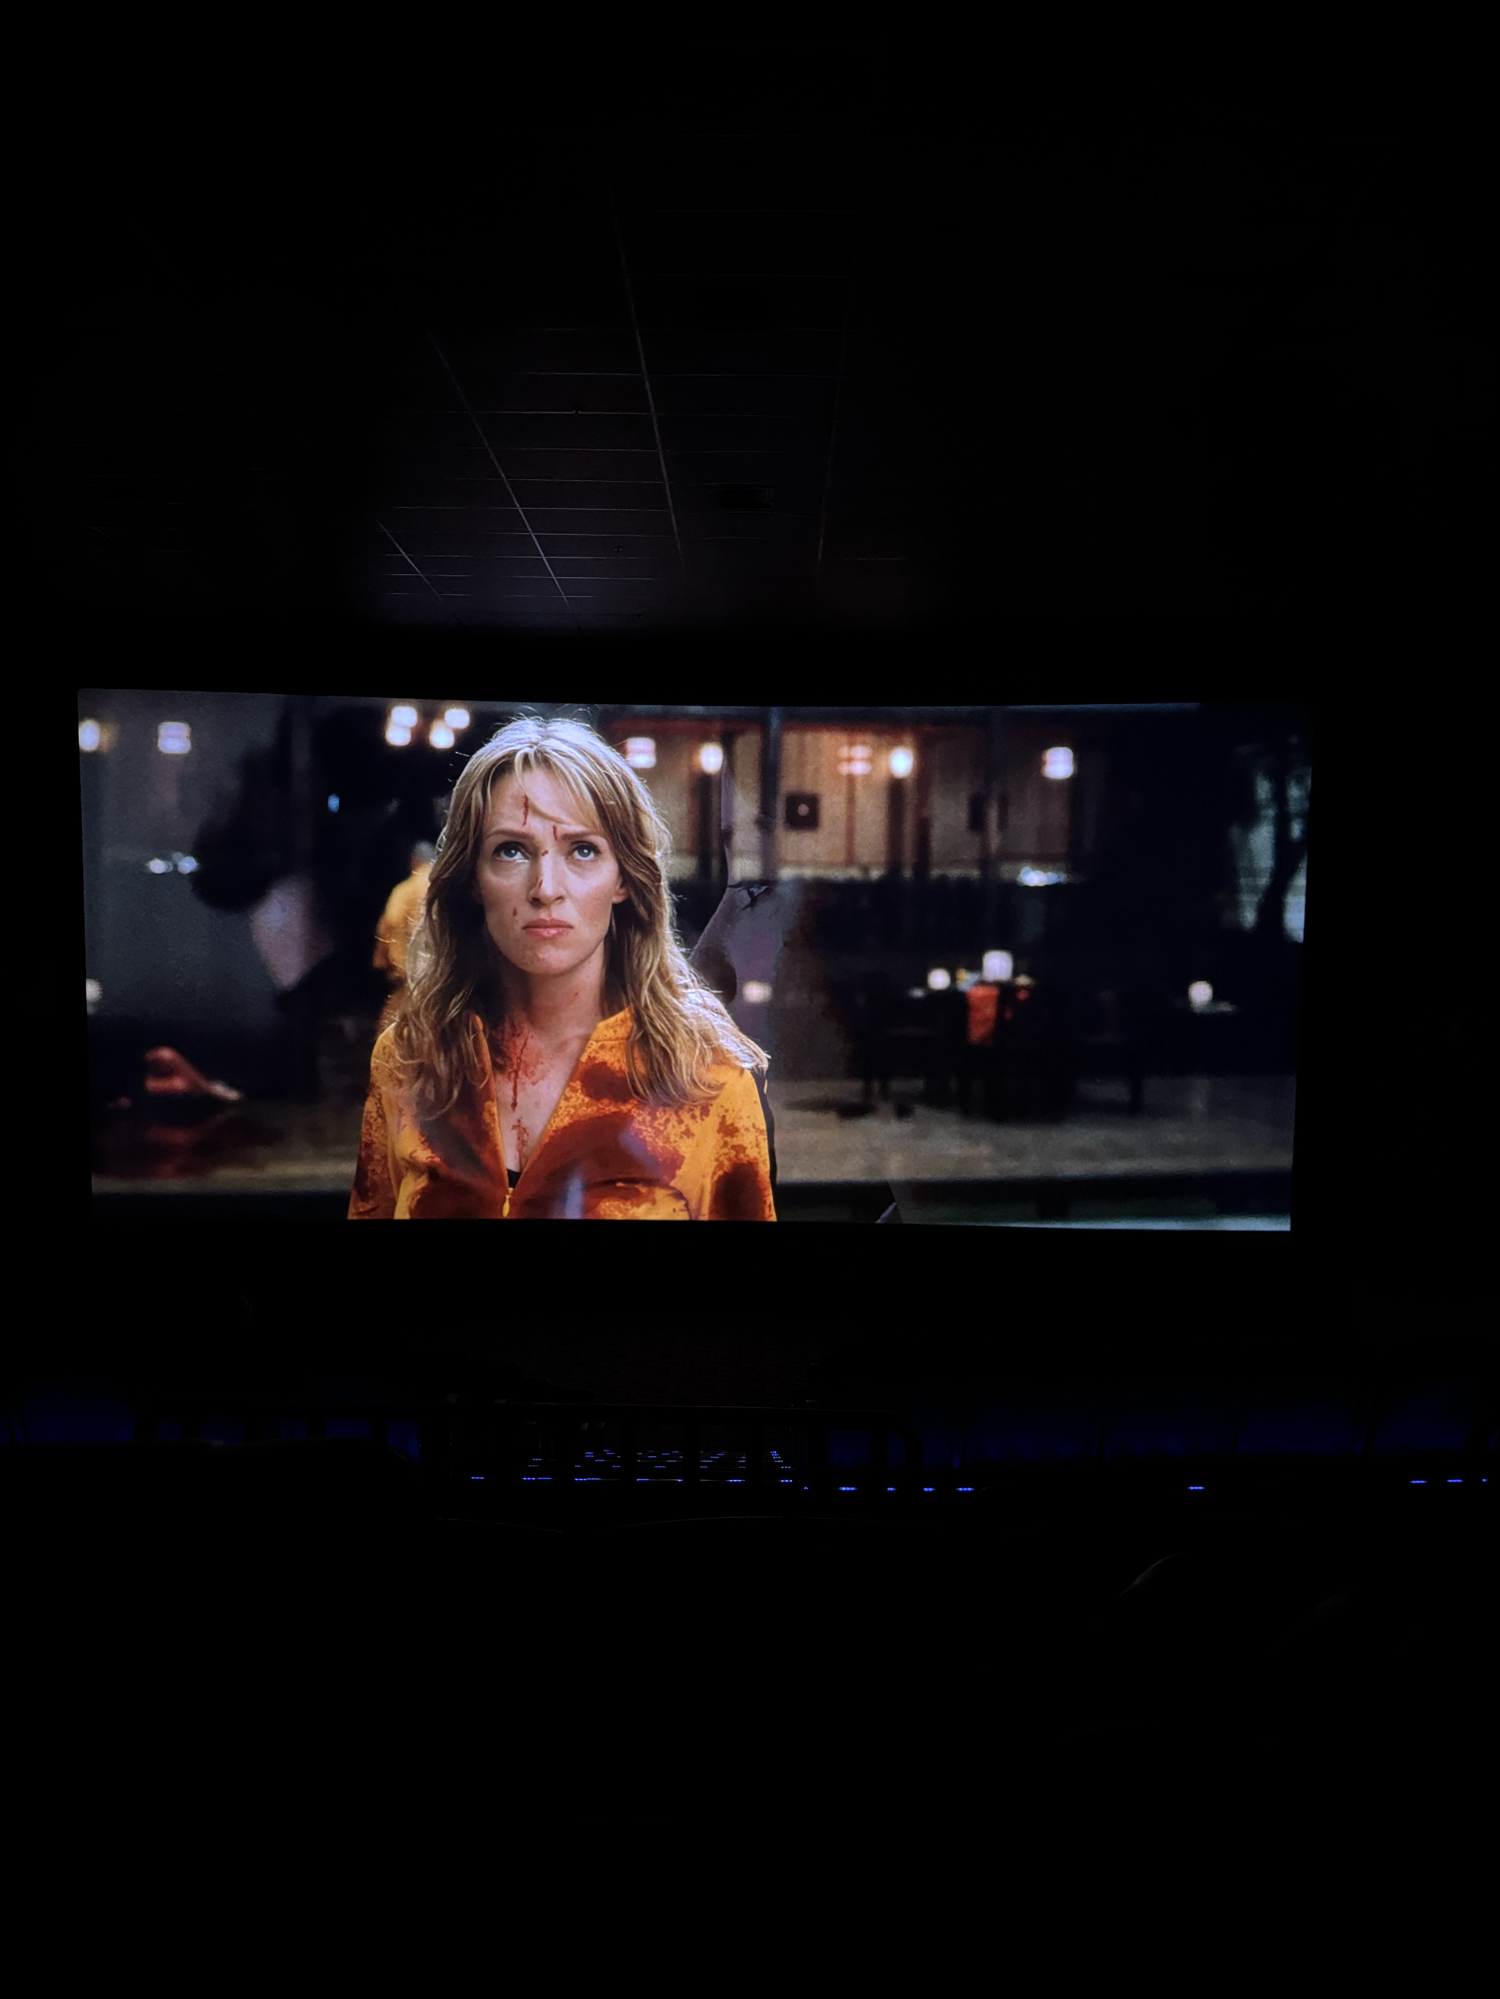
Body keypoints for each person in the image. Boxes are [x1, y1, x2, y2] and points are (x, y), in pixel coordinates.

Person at [348, 716, 777, 1220]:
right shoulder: (410, 1059)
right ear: (472, 877)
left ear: (624, 878)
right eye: (511, 850)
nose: (545, 888)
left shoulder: (707, 1075)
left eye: (582, 850)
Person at [372, 843, 436, 1034]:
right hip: (444, 986)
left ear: (413, 862)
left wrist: (383, 961)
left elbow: (390, 924)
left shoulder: (404, 891)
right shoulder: (448, 889)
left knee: (393, 1040)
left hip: (410, 986)